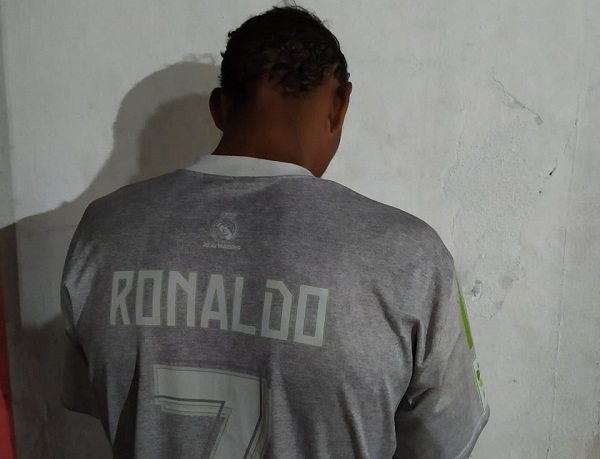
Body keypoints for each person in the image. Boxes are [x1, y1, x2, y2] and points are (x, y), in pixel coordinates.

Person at [61, 5, 489, 458]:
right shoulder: (412, 256)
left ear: (219, 108)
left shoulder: (102, 233)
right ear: (340, 105)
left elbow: (97, 397)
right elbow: (442, 439)